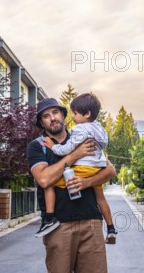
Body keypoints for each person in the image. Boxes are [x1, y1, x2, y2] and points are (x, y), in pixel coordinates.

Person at [27, 97, 116, 273]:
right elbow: (44, 178)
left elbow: (109, 169)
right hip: (59, 225)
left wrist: (87, 181)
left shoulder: (83, 132)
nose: (52, 118)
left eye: (56, 113)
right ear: (41, 122)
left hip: (90, 220)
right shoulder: (38, 146)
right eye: (46, 116)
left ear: (65, 115)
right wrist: (73, 157)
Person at [39, 93, 118, 244]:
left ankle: (49, 219)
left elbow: (66, 149)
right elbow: (104, 144)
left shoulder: (78, 130)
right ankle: (111, 229)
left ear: (86, 114)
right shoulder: (99, 128)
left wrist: (53, 146)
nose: (73, 117)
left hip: (83, 168)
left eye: (75, 113)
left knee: (50, 183)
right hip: (97, 167)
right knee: (100, 198)